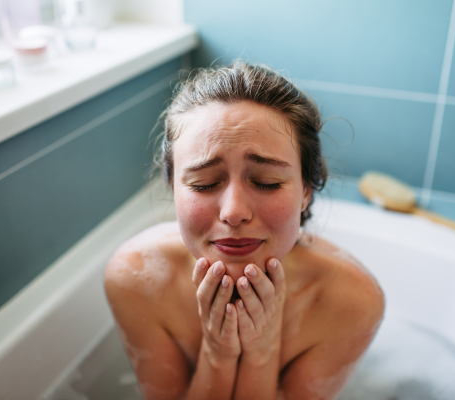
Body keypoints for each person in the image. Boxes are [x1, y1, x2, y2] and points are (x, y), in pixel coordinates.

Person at [104, 61, 385, 400]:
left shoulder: (350, 300)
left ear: (306, 193)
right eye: (204, 184)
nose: (234, 212)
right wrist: (218, 354)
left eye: (266, 182)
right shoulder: (136, 277)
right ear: (173, 191)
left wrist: (262, 352)